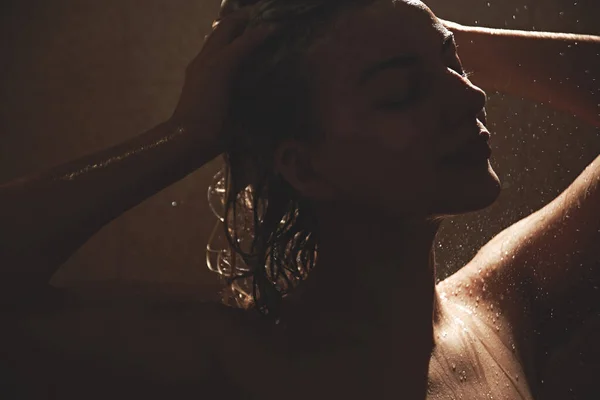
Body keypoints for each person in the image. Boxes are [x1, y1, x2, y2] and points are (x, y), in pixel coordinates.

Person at [1, 0, 598, 398]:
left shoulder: (496, 314)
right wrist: (189, 135)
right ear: (303, 166)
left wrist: (423, 34)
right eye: (399, 92)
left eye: (455, 67)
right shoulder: (217, 365)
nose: (467, 98)